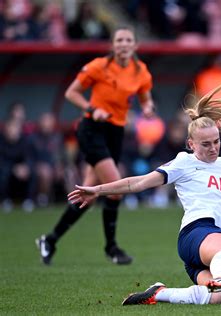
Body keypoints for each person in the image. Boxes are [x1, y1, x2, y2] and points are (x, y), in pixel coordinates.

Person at [67, 82, 221, 305]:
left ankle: (159, 293)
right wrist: (98, 190)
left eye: (216, 141)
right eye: (205, 144)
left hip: (211, 248)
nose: (213, 148)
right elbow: (139, 183)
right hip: (197, 232)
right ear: (191, 144)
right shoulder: (183, 162)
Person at [36, 26, 155, 265]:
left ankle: (49, 240)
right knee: (115, 187)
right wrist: (92, 109)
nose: (123, 44)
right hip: (92, 129)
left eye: (127, 40)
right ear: (112, 45)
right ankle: (111, 248)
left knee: (87, 195)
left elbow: (145, 95)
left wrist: (147, 107)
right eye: (119, 40)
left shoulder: (141, 71)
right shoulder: (98, 66)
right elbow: (72, 93)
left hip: (115, 132)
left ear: (135, 46)